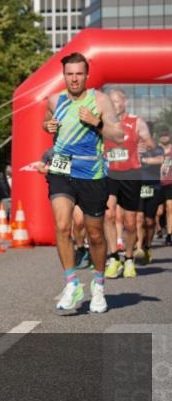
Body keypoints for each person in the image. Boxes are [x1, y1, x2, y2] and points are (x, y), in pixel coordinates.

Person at [43, 52, 123, 313]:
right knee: (62, 224)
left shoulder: (100, 100)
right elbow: (46, 122)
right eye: (69, 74)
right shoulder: (55, 100)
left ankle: (98, 287)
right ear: (63, 75)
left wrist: (97, 122)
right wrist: (48, 127)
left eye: (79, 73)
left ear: (86, 76)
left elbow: (118, 135)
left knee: (96, 234)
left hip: (91, 170)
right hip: (62, 165)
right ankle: (71, 283)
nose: (74, 78)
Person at [102, 88, 155, 279]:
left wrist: (146, 145)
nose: (113, 105)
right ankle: (114, 257)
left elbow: (150, 143)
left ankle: (130, 258)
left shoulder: (136, 122)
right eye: (110, 102)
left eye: (116, 101)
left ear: (124, 102)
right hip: (110, 173)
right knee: (108, 214)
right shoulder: (104, 123)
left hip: (131, 174)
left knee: (131, 223)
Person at [160, 128, 172, 246]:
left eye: (166, 135)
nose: (164, 137)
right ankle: (160, 226)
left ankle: (169, 235)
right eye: (162, 135)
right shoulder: (155, 150)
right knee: (158, 211)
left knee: (169, 207)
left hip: (170, 183)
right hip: (157, 184)